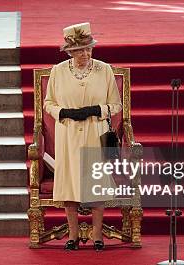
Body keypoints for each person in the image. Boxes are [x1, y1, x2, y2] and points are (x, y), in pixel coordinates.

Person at [43, 22, 122, 251]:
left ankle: (97, 234)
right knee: (70, 183)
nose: (85, 54)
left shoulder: (104, 69)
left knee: (93, 183)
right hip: (68, 133)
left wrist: (96, 110)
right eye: (80, 50)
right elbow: (49, 103)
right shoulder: (58, 71)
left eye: (89, 49)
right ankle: (73, 234)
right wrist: (63, 112)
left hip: (94, 131)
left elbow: (115, 105)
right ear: (70, 51)